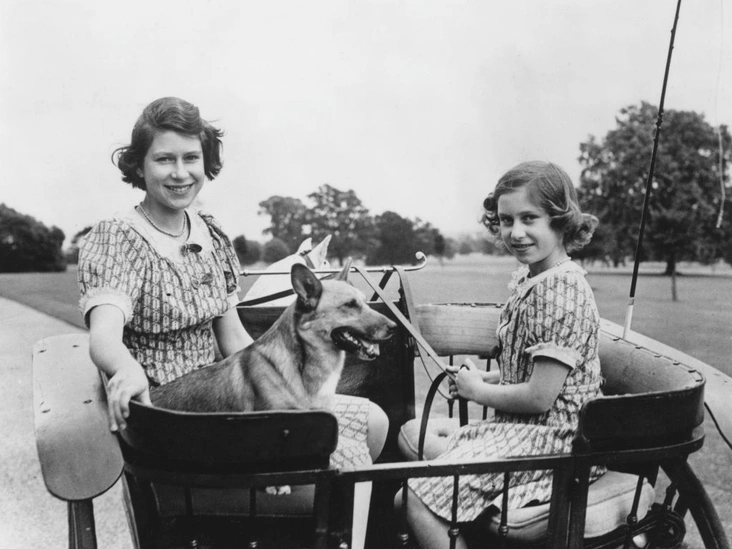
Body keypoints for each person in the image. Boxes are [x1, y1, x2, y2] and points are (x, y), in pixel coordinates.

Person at [78, 96, 387, 468]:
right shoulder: (116, 238)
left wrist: (289, 388)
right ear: (139, 166)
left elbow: (234, 339)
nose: (180, 173)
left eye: (191, 158)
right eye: (164, 159)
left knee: (374, 423)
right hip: (169, 418)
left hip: (224, 398)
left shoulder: (210, 234)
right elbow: (104, 336)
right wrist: (127, 370)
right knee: (349, 461)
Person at [396, 161, 603, 549]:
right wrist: (482, 379)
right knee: (417, 467)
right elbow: (532, 371)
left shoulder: (561, 291)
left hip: (557, 441)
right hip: (527, 431)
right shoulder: (536, 278)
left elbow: (540, 397)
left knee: (412, 499)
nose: (516, 232)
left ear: (560, 220)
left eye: (529, 218)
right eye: (507, 220)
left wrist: (476, 392)